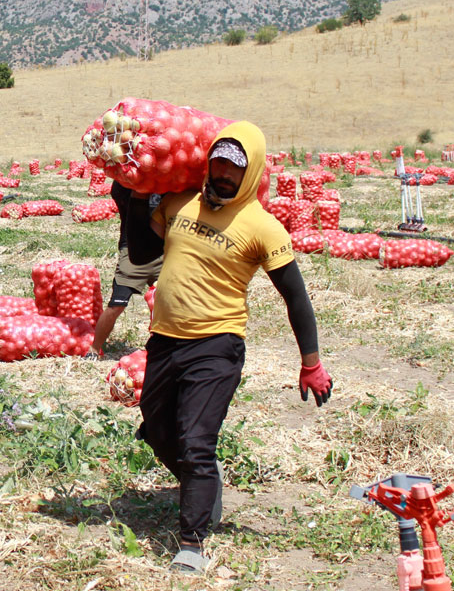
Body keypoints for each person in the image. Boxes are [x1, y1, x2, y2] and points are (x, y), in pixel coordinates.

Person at [129, 121, 334, 575]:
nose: (222, 172)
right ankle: (201, 480)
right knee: (158, 429)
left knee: (195, 440)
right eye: (218, 161)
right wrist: (133, 194)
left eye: (234, 167)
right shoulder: (183, 203)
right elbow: (146, 247)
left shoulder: (263, 227)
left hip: (216, 344)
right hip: (164, 339)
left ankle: (192, 544)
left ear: (252, 171)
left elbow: (295, 297)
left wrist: (311, 363)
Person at [88, 182, 163, 357]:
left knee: (168, 303)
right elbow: (118, 189)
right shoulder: (125, 187)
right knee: (117, 305)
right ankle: (93, 349)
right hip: (132, 251)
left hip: (164, 251)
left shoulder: (168, 185)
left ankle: (165, 349)